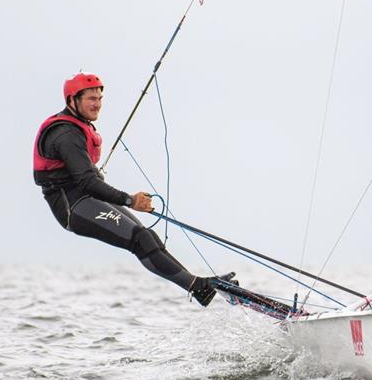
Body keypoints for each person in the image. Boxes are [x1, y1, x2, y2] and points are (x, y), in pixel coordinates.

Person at [33, 72, 234, 306]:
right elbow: (88, 182)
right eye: (90, 99)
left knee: (145, 235)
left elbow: (84, 178)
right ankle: (197, 287)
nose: (97, 104)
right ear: (72, 101)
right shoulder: (65, 134)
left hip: (85, 197)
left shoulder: (77, 127)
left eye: (99, 98)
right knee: (138, 239)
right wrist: (129, 200)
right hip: (72, 207)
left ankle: (198, 284)